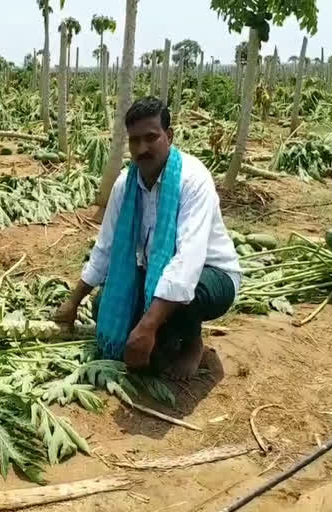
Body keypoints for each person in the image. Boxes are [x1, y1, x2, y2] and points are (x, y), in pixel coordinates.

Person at [55, 97, 242, 380]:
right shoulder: (124, 185)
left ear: (169, 136)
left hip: (211, 276)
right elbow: (105, 248)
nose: (142, 148)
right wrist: (73, 302)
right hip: (156, 271)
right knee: (104, 305)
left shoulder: (192, 179)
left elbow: (187, 262)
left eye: (151, 137)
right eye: (135, 141)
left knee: (182, 302)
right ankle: (165, 338)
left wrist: (146, 328)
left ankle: (193, 345)